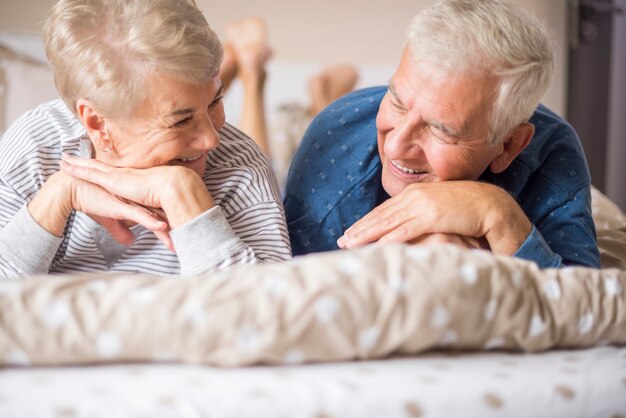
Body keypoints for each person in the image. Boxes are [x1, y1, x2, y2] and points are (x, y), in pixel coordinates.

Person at [284, 0, 600, 268]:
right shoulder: (336, 136)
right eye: (396, 101)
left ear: (508, 146)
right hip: (342, 122)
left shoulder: (553, 150)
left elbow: (583, 303)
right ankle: (322, 98)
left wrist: (496, 212)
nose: (395, 145)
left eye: (440, 129)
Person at [0, 0, 291, 279]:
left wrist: (182, 192)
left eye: (216, 101)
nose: (211, 139)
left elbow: (268, 318)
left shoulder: (238, 164)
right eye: (181, 120)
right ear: (97, 123)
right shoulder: (35, 148)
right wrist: (58, 195)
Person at [218, 17, 358, 190]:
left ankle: (240, 80)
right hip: (293, 139)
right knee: (259, 183)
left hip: (287, 144)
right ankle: (251, 78)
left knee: (258, 183)